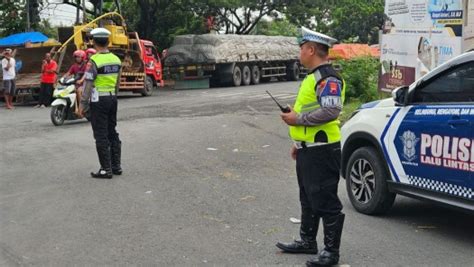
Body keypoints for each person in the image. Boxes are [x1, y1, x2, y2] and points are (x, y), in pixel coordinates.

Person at [276, 26, 346, 267]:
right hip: (309, 148)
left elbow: (331, 110)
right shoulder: (312, 77)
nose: (299, 53)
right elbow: (311, 109)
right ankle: (307, 241)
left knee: (325, 199)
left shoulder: (327, 78)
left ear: (311, 49)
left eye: (301, 49)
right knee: (308, 197)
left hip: (323, 150)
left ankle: (331, 252)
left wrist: (297, 120)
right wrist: (300, 142)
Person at [79, 28, 122, 179]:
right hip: (112, 99)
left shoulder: (94, 61)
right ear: (108, 41)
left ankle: (105, 169)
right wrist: (113, 97)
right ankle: (116, 166)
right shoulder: (116, 59)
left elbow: (88, 85)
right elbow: (117, 83)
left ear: (94, 42)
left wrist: (82, 105)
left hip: (99, 101)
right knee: (112, 131)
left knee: (100, 134)